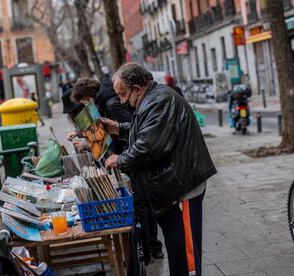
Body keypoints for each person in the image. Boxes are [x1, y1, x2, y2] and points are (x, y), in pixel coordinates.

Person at [103, 63, 217, 276]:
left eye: (123, 94)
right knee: (176, 250)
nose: (121, 101)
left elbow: (149, 145)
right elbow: (145, 131)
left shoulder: (159, 101)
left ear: (137, 88)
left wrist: (120, 159)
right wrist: (118, 128)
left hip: (182, 186)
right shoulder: (151, 99)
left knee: (186, 255)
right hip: (172, 187)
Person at [71, 77, 165, 261]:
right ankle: (149, 247)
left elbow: (130, 131)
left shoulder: (112, 103)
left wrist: (89, 142)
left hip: (130, 159)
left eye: (84, 101)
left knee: (141, 203)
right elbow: (104, 128)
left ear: (89, 95)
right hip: (126, 158)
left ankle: (150, 247)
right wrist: (82, 133)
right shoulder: (105, 100)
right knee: (140, 203)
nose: (84, 104)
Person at [70, 77, 132, 155]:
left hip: (126, 153)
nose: (87, 106)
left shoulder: (110, 104)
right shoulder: (102, 101)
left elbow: (131, 130)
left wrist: (123, 156)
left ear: (89, 96)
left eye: (86, 103)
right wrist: (77, 132)